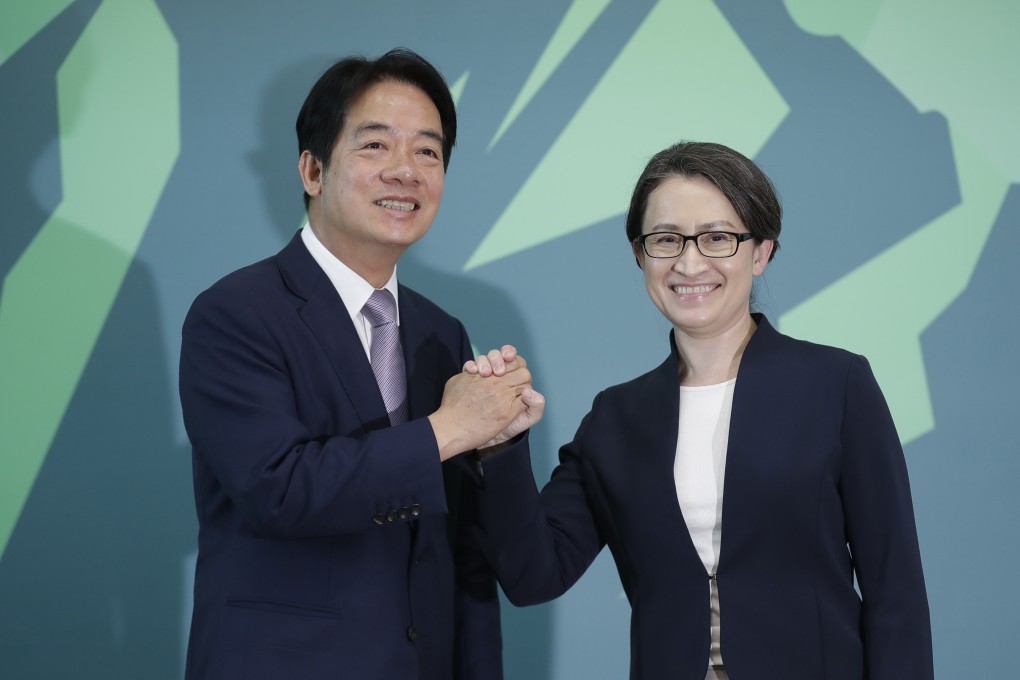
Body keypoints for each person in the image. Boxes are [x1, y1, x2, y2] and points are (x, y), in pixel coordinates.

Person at [468, 141, 933, 679]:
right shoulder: (616, 418)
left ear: (761, 252)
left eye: (717, 238)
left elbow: (894, 590)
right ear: (640, 256)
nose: (690, 262)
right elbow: (533, 576)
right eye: (666, 240)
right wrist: (499, 445)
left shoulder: (837, 384)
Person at [178, 48, 534, 680]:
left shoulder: (439, 331)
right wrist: (450, 429)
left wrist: (495, 442)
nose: (406, 171)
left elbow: (457, 550)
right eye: (376, 146)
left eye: (428, 152)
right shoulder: (234, 313)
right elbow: (279, 489)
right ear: (313, 170)